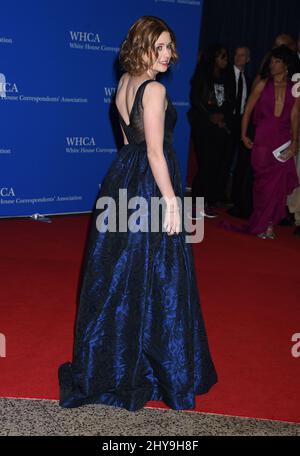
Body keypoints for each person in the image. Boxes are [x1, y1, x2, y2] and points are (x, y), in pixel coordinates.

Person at [58, 16, 217, 412]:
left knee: (121, 273)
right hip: (150, 183)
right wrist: (172, 201)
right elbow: (154, 151)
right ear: (142, 46)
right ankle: (155, 366)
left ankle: (111, 360)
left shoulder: (125, 85)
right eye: (158, 47)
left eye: (169, 47)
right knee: (159, 274)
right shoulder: (154, 91)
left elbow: (128, 143)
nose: (166, 55)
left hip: (122, 180)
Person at [223, 46, 299, 239]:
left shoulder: (294, 89)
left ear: (285, 65)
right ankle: (261, 222)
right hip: (263, 139)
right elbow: (247, 110)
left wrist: (295, 142)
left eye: (277, 61)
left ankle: (269, 224)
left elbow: (295, 116)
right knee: (262, 184)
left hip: (283, 140)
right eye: (271, 61)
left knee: (278, 186)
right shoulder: (262, 84)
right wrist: (243, 135)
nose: (272, 65)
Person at [188, 44, 233, 218]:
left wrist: (223, 117)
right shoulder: (202, 75)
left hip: (220, 127)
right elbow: (196, 99)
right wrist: (210, 117)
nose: (225, 61)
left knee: (214, 165)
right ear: (214, 58)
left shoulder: (226, 77)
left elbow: (230, 101)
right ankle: (196, 205)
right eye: (222, 57)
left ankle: (206, 202)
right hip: (204, 126)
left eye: (226, 57)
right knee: (205, 165)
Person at [226, 46, 253, 218]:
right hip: (227, 123)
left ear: (248, 59)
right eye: (236, 54)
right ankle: (216, 196)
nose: (238, 57)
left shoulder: (249, 80)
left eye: (242, 55)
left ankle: (236, 198)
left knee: (242, 164)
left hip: (243, 123)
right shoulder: (225, 75)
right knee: (223, 159)